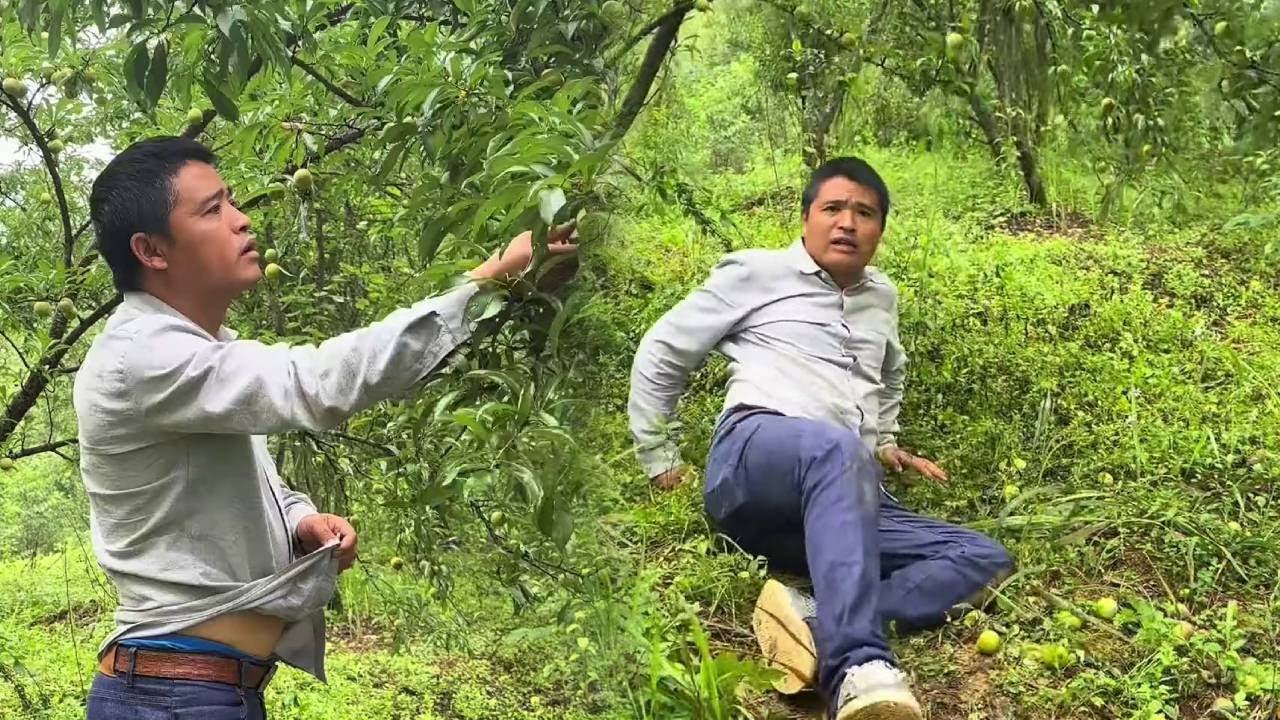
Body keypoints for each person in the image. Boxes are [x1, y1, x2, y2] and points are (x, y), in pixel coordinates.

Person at [74, 136, 576, 719]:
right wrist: (485, 284)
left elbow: (241, 481)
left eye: (232, 201)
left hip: (199, 691)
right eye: (212, 210)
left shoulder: (200, 356)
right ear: (151, 250)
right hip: (171, 696)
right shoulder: (144, 356)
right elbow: (315, 382)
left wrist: (297, 520)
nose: (241, 220)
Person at [627, 157, 1013, 720]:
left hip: (840, 497)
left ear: (880, 229)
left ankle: (811, 617)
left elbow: (889, 374)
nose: (847, 223)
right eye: (833, 208)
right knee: (836, 449)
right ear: (806, 217)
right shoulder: (756, 273)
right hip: (755, 459)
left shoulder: (882, 297)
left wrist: (883, 440)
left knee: (982, 557)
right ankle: (857, 667)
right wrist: (660, 456)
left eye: (864, 213)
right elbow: (663, 351)